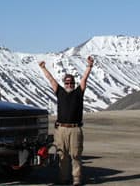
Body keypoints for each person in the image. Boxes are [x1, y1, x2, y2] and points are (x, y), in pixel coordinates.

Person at [39, 56, 94, 186]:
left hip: (75, 129)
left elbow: (84, 79)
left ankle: (76, 179)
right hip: (61, 129)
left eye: (71, 83)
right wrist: (43, 68)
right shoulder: (60, 92)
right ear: (64, 84)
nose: (69, 84)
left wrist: (89, 66)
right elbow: (51, 79)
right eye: (67, 83)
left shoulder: (79, 92)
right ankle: (64, 179)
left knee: (75, 155)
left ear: (74, 84)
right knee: (62, 155)